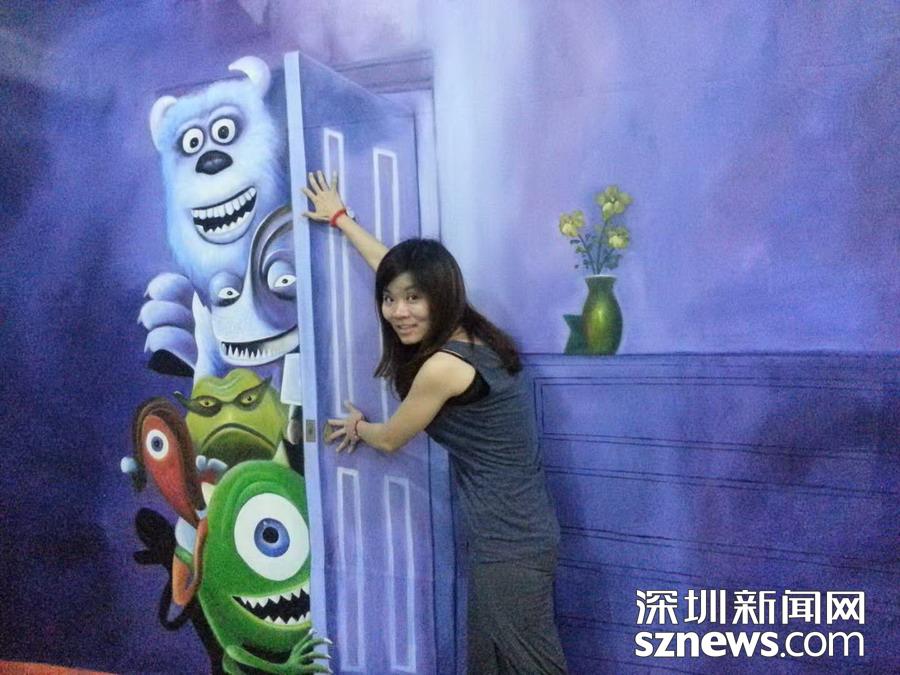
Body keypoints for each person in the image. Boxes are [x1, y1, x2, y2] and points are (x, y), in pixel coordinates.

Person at [302, 171, 568, 674]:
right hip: (513, 534)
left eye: (413, 299)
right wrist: (340, 218)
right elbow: (395, 270)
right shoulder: (468, 331)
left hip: (509, 543)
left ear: (438, 297)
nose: (398, 311)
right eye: (389, 299)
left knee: (534, 666)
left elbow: (390, 439)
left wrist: (358, 428)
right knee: (488, 664)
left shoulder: (443, 367)